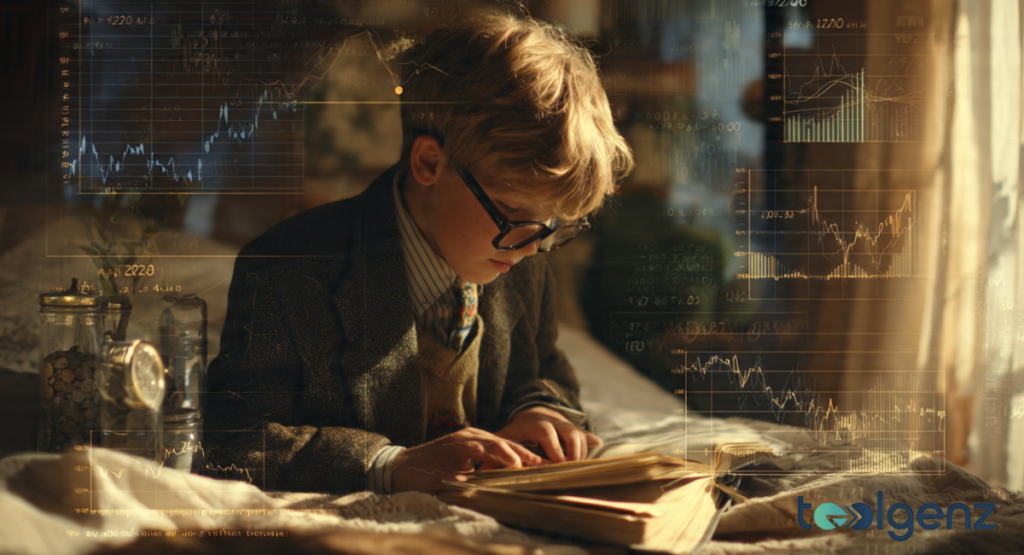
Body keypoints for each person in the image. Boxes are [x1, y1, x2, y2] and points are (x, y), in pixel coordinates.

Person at [203, 12, 634, 496]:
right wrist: (389, 464)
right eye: (513, 212)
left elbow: (544, 372)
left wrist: (540, 410)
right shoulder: (290, 268)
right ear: (430, 162)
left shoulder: (519, 257)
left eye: (554, 225)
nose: (535, 246)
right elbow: (232, 440)